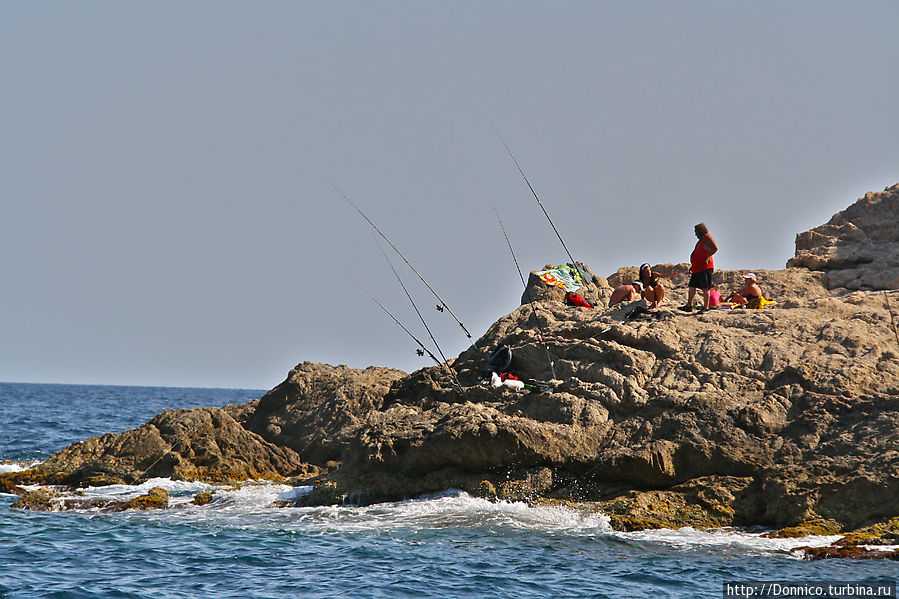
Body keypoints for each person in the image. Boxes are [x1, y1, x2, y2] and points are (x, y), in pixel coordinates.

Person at [680, 222, 718, 312]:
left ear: (700, 231)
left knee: (705, 288)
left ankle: (706, 307)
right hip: (697, 267)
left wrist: (708, 256)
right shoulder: (701, 241)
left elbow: (715, 248)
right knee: (692, 286)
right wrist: (693, 265)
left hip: (705, 267)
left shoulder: (708, 238)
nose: (695, 234)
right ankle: (689, 306)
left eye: (696, 232)